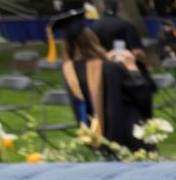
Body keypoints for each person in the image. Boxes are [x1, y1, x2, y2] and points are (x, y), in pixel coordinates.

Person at [56, 9, 155, 152]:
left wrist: (107, 61)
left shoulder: (68, 70)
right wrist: (132, 67)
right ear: (91, 39)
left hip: (96, 132)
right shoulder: (110, 68)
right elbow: (142, 93)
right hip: (128, 132)